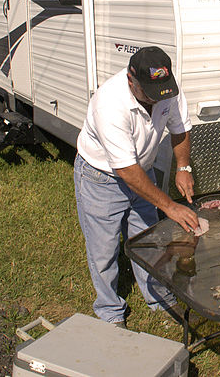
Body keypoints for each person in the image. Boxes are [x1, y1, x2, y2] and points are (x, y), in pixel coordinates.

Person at [74, 46, 200, 329]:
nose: (158, 101)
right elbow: (126, 171)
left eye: (163, 92)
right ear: (132, 80)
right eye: (150, 94)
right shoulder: (109, 103)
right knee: (103, 249)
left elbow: (179, 129)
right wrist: (169, 205)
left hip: (141, 172)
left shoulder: (167, 90)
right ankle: (109, 311)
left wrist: (183, 168)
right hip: (101, 178)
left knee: (149, 241)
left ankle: (158, 298)